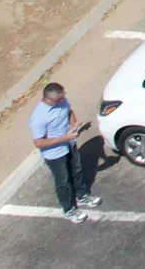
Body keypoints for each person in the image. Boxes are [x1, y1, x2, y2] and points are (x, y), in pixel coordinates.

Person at [28, 82, 100, 219]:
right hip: (55, 154)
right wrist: (63, 138)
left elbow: (69, 111)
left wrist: (74, 124)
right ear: (48, 100)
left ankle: (82, 195)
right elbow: (38, 142)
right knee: (63, 182)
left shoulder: (61, 101)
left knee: (77, 171)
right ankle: (69, 209)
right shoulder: (38, 118)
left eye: (63, 97)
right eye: (59, 99)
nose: (63, 100)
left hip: (70, 145)